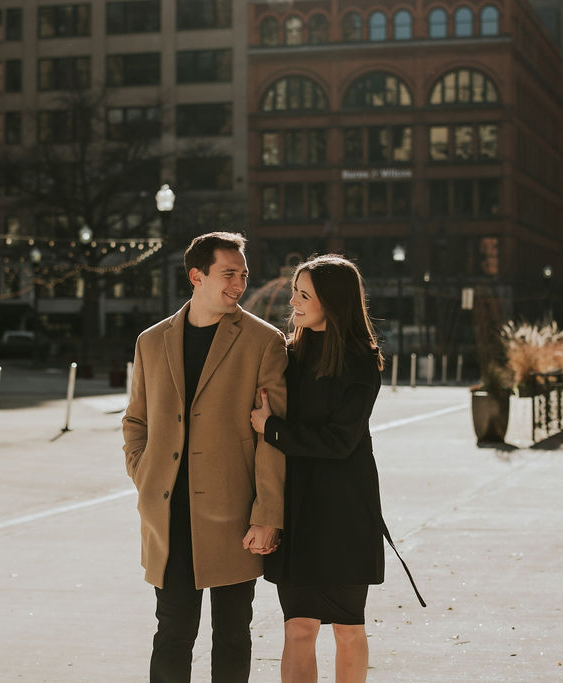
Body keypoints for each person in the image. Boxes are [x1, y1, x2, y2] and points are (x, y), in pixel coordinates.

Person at [122, 231, 288, 683]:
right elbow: (136, 422)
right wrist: (145, 474)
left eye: (244, 275)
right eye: (228, 274)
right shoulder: (151, 342)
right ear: (197, 276)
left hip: (236, 514)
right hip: (169, 516)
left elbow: (274, 438)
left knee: (232, 633)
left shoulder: (264, 341)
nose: (239, 284)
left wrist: (268, 514)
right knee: (172, 633)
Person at [250, 254, 386, 683]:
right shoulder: (289, 355)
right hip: (299, 510)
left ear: (332, 300)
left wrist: (273, 429)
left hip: (346, 511)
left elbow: (339, 441)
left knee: (348, 629)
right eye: (295, 291)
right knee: (298, 627)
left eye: (304, 294)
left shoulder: (362, 361)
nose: (293, 301)